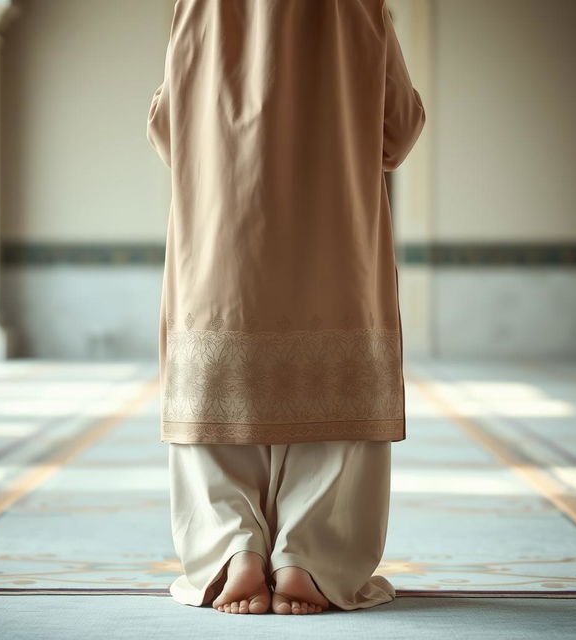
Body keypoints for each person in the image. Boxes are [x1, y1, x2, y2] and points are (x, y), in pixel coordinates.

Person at [146, 0, 425, 615]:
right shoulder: (359, 7)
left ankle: (234, 553)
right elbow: (398, 128)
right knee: (335, 395)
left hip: (221, 232)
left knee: (216, 391)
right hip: (334, 233)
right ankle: (308, 560)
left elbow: (168, 128)